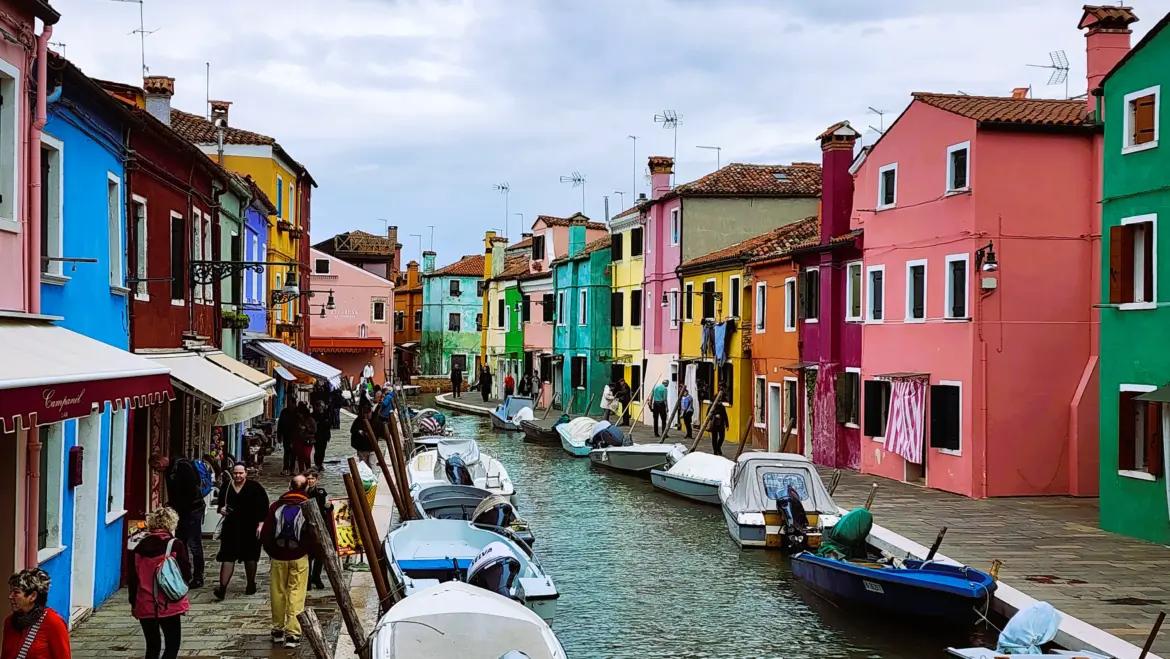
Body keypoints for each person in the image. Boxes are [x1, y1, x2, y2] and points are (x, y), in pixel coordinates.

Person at [128, 508, 191, 659]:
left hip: (145, 603)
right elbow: (186, 574)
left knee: (152, 647)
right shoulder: (175, 545)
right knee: (172, 645)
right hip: (169, 604)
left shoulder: (139, 547)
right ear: (171, 524)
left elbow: (133, 579)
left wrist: (134, 604)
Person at [262, 475, 316, 649]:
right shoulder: (308, 506)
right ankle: (293, 634)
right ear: (306, 488)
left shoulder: (277, 506)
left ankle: (277, 629)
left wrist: (272, 551)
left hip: (278, 557)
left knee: (278, 593)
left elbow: (266, 534)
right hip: (299, 556)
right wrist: (308, 551)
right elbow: (315, 535)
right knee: (296, 594)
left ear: (289, 485)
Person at [212, 463, 269, 601]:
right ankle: (222, 588)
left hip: (250, 526)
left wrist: (261, 525)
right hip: (231, 526)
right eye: (235, 473)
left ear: (246, 473)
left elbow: (264, 506)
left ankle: (251, 584)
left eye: (240, 473)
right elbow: (220, 505)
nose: (238, 476)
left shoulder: (255, 487)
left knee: (250, 556)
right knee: (227, 556)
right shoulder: (226, 487)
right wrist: (221, 510)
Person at [150, 454, 205, 589]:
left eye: (156, 468)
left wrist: (177, 506)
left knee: (194, 543)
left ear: (159, 462)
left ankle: (198, 576)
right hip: (181, 511)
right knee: (181, 542)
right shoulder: (170, 470)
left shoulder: (182, 466)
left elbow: (191, 490)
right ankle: (184, 574)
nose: (157, 471)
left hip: (192, 509)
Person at [2, 568, 69, 659]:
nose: (10, 597)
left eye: (16, 592)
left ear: (32, 596)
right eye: (11, 592)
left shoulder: (54, 622)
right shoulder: (9, 622)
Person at [304, 469, 334, 591]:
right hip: (305, 525)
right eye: (308, 478)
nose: (310, 481)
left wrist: (329, 506)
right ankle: (308, 579)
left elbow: (328, 508)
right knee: (308, 554)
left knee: (319, 553)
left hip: (320, 525)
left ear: (317, 480)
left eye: (312, 479)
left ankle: (316, 576)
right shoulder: (302, 492)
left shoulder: (321, 493)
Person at [350, 403, 378, 469]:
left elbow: (379, 431)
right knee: (364, 467)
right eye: (366, 413)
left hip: (372, 448)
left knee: (372, 465)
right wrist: (359, 432)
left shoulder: (375, 420)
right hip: (362, 449)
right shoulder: (358, 421)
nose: (367, 415)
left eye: (369, 413)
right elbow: (353, 431)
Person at [277, 398, 297, 476]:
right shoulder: (284, 412)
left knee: (294, 453)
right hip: (286, 435)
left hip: (295, 436)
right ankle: (285, 468)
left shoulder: (297, 412)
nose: (289, 405)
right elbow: (280, 424)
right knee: (287, 452)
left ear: (294, 404)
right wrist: (279, 435)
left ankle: (292, 469)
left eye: (290, 403)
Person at [294, 402, 316, 473]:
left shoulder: (310, 419)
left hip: (308, 440)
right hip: (298, 439)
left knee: (306, 455)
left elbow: (314, 430)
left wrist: (306, 428)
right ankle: (301, 471)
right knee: (300, 456)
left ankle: (308, 469)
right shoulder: (296, 420)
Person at [312, 401, 332, 471]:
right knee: (317, 450)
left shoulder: (326, 414)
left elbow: (329, 424)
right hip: (316, 435)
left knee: (322, 450)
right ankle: (317, 464)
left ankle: (320, 464)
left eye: (320, 406)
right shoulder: (314, 415)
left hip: (324, 435)